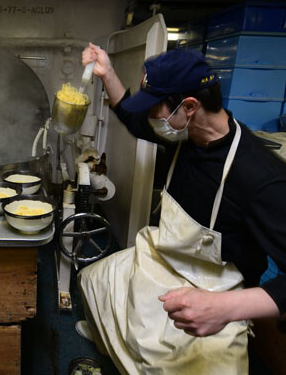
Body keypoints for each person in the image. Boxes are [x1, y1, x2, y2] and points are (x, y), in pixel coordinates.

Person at [76, 43, 286, 374]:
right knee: (96, 279)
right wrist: (107, 72)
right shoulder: (184, 134)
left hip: (214, 290)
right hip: (164, 261)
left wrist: (224, 308)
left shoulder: (261, 178)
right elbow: (132, 118)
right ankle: (115, 341)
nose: (148, 117)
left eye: (154, 108)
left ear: (189, 106)